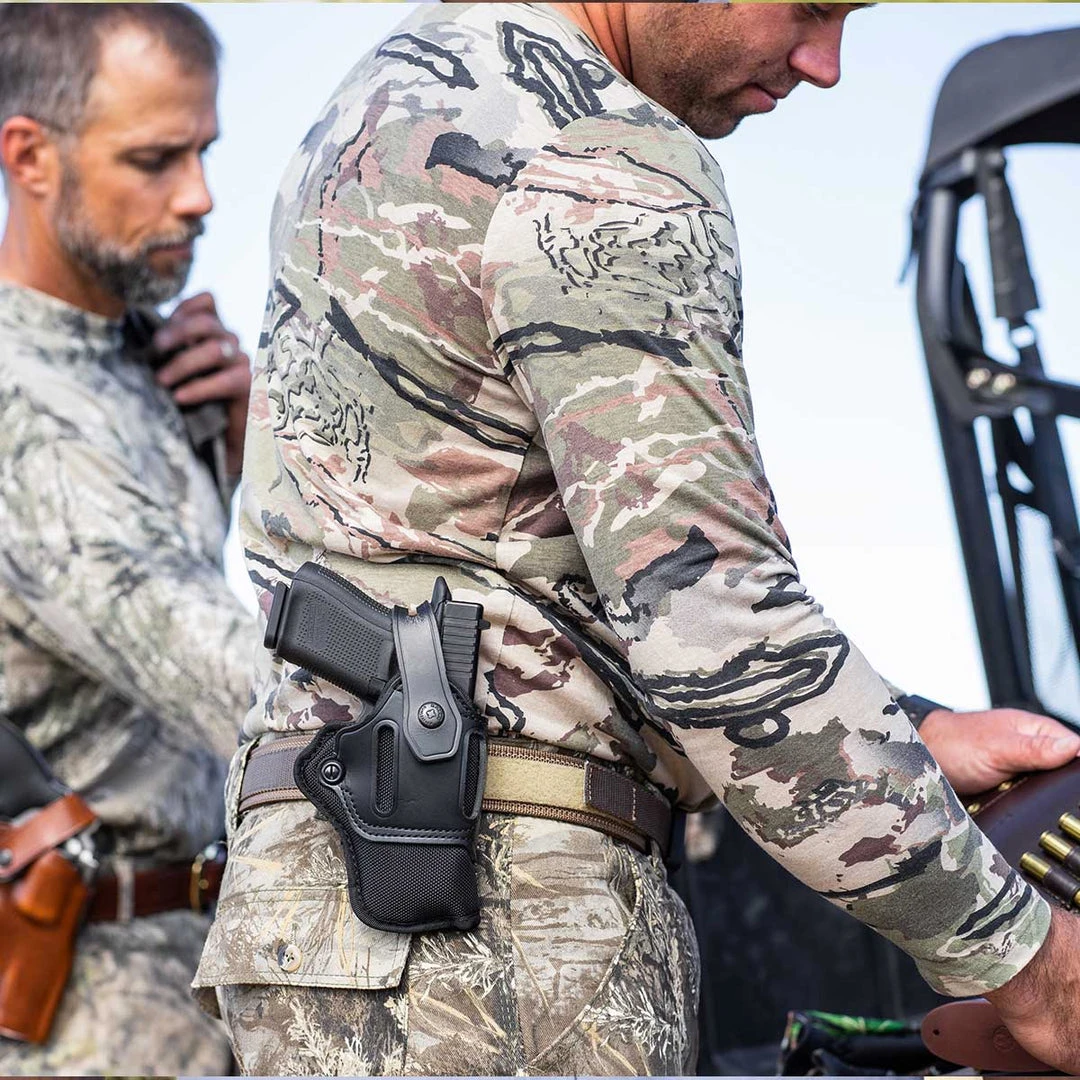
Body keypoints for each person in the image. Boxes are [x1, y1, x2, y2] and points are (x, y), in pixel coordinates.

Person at [195, 3, 1080, 1075]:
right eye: (811, 7)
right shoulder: (601, 156)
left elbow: (518, 569)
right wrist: (1029, 961)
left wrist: (908, 731)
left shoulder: (399, 89)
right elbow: (711, 623)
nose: (827, 65)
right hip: (495, 934)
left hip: (333, 912)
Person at [0, 4, 256, 1075]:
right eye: (154, 160)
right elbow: (240, 690)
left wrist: (244, 452)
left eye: (203, 152)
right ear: (29, 156)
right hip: (84, 1015)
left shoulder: (146, 361)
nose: (198, 197)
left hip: (201, 979)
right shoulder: (19, 405)